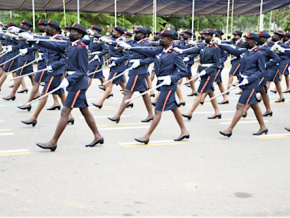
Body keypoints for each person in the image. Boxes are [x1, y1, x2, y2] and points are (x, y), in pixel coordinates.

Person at [21, 23, 104, 151]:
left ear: (80, 35)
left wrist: (68, 80)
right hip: (74, 83)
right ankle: (97, 135)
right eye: (70, 31)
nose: (70, 33)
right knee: (84, 110)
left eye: (74, 32)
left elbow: (82, 70)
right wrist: (36, 40)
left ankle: (53, 141)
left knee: (65, 112)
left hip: (78, 83)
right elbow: (53, 45)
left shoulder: (81, 47)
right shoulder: (69, 45)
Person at [119, 29, 189, 144]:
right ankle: (184, 131)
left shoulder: (174, 54)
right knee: (174, 108)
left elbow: (184, 71)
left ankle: (146, 136)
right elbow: (146, 52)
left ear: (170, 40)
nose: (160, 40)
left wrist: (171, 78)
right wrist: (129, 47)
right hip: (162, 84)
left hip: (168, 85)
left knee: (157, 111)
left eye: (163, 38)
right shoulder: (161, 51)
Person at [217, 33, 268, 137]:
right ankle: (263, 127)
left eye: (249, 40)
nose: (246, 41)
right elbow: (232, 50)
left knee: (240, 106)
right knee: (254, 105)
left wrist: (249, 79)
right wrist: (219, 44)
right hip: (244, 82)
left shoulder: (259, 53)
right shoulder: (245, 51)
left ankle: (229, 129)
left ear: (254, 41)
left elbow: (261, 71)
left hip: (251, 84)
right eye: (246, 39)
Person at [21, 20, 71, 126]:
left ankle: (34, 117)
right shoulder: (51, 38)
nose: (47, 28)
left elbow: (65, 58)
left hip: (56, 71)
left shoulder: (60, 40)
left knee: (44, 94)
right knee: (61, 92)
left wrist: (54, 66)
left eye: (49, 27)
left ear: (55, 29)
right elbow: (41, 41)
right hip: (51, 70)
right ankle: (70, 116)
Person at [108, 27, 154, 123]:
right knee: (144, 92)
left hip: (138, 71)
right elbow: (126, 46)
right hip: (135, 69)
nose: (136, 35)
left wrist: (140, 62)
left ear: (145, 35)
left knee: (127, 93)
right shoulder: (135, 42)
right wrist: (111, 42)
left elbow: (152, 58)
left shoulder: (146, 44)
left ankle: (117, 115)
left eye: (139, 33)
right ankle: (150, 114)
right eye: (136, 33)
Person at [180, 30, 222, 120]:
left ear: (212, 36)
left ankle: (190, 112)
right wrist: (181, 51)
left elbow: (217, 64)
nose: (206, 37)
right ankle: (217, 112)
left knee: (200, 93)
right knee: (210, 92)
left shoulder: (215, 48)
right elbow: (194, 50)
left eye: (208, 35)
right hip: (203, 71)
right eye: (205, 35)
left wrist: (206, 71)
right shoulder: (203, 46)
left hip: (209, 73)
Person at [92, 25, 129, 109]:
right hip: (114, 65)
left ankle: (100, 102)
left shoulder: (122, 41)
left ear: (119, 34)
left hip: (118, 65)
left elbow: (126, 56)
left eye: (115, 32)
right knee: (123, 85)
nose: (113, 33)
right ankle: (129, 101)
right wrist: (95, 35)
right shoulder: (114, 40)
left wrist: (116, 62)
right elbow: (107, 41)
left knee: (109, 84)